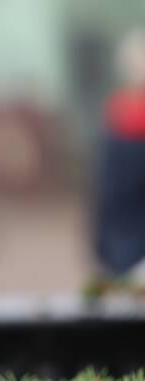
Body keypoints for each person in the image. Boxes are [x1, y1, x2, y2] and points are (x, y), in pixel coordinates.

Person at [95, 29, 145, 279]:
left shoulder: (116, 122)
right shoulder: (119, 120)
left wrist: (102, 251)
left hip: (121, 255)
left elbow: (105, 198)